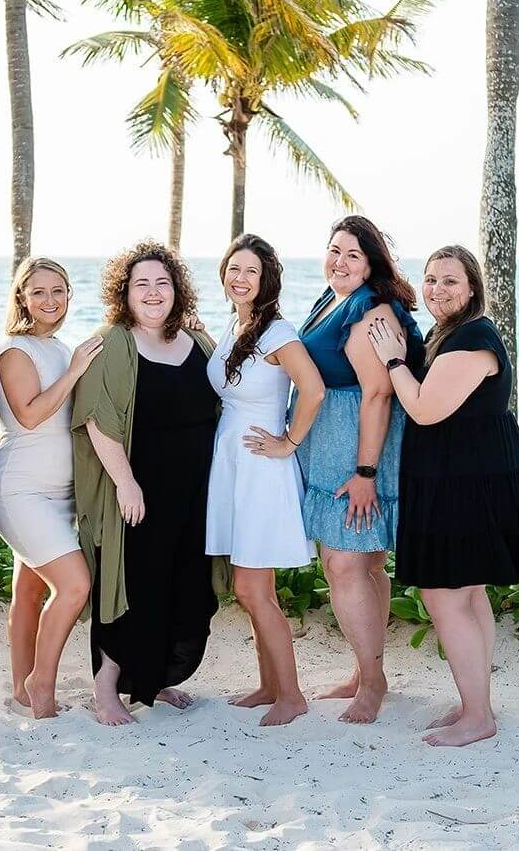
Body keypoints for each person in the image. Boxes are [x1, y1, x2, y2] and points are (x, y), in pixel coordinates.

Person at [366, 244, 519, 747]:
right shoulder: (447, 334)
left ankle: (478, 716)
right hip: (465, 476)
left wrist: (392, 358)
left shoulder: (474, 337)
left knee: (445, 595)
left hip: (466, 483)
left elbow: (425, 409)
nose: (437, 289)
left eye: (450, 281)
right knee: (469, 593)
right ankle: (474, 701)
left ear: (472, 287)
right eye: (431, 279)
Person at [71, 242, 221, 726]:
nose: (154, 293)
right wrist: (126, 483)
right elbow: (98, 419)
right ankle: (106, 686)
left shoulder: (198, 342)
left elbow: (227, 394)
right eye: (142, 284)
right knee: (133, 585)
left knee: (185, 587)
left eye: (163, 283)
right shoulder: (113, 342)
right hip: (140, 491)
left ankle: (154, 680)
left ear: (177, 290)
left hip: (195, 492)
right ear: (125, 293)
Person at [294, 215, 424, 724]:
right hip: (332, 443)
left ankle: (372, 684)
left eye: (352, 255)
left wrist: (366, 473)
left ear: (371, 263)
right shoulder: (332, 297)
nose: (340, 262)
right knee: (360, 563)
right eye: (334, 251)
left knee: (348, 564)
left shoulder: (371, 310)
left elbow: (378, 392)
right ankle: (365, 669)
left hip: (358, 448)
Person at [205, 234, 325, 727]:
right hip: (232, 463)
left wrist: (289, 442)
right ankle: (269, 685)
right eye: (233, 268)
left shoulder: (278, 331)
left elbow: (313, 390)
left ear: (267, 279)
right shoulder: (235, 328)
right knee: (251, 585)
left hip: (260, 467)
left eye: (250, 271)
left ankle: (292, 695)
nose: (239, 278)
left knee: (255, 588)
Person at [0, 257, 104, 718]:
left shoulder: (60, 347)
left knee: (31, 592)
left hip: (61, 496)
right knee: (75, 586)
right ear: (22, 297)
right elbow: (31, 414)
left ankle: (20, 687)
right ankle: (41, 683)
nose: (49, 300)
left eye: (59, 291)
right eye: (38, 292)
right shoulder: (15, 351)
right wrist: (75, 371)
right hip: (21, 490)